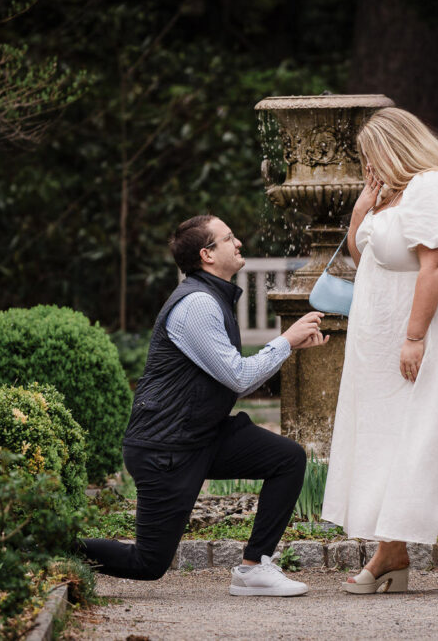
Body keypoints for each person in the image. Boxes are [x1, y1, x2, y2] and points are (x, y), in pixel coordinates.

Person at [80, 214, 328, 596]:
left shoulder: (213, 296)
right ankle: (51, 550)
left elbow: (232, 375)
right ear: (207, 255)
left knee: (287, 458)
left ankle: (253, 568)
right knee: (148, 564)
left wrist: (288, 346)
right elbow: (239, 377)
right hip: (166, 448)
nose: (239, 242)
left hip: (202, 435)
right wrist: (286, 341)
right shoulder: (196, 304)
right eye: (229, 238)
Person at [321, 108, 438, 594]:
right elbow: (367, 258)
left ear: (395, 146)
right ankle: (392, 551)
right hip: (379, 335)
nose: (368, 165)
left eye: (371, 155)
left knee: (434, 432)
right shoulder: (389, 193)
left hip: (428, 330)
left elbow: (435, 264)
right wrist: (364, 204)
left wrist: (415, 337)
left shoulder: (433, 186)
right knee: (388, 437)